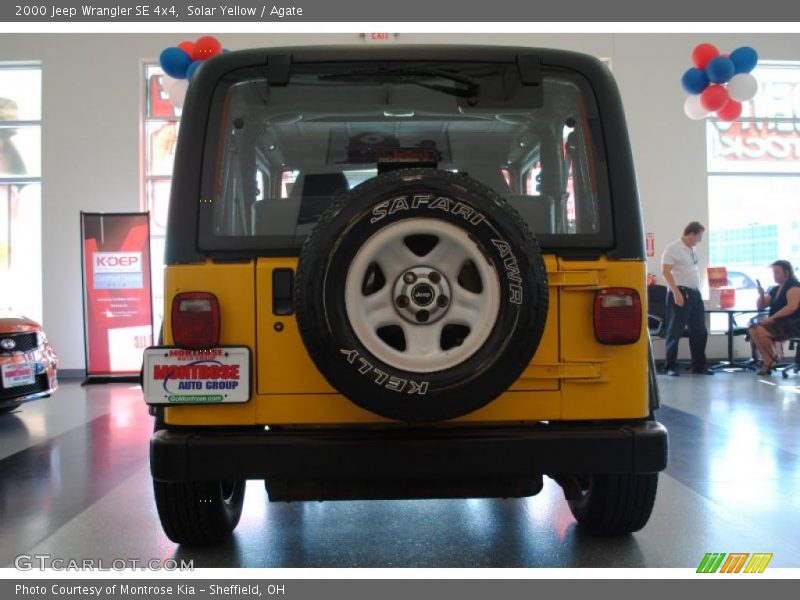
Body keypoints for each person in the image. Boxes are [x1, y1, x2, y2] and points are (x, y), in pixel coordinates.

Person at [660, 221, 713, 376]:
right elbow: (665, 272)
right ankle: (670, 366)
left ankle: (699, 366)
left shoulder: (692, 249)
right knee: (674, 331)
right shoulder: (672, 248)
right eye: (699, 236)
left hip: (695, 294)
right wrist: (676, 292)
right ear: (692, 234)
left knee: (700, 331)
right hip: (680, 293)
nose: (700, 240)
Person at [748, 260, 800, 375]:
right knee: (752, 329)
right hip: (778, 323)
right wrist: (761, 295)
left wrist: (771, 318)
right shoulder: (775, 288)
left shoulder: (793, 285)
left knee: (761, 330)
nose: (774, 276)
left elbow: (792, 307)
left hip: (792, 323)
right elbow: (761, 306)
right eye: (773, 273)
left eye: (777, 273)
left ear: (786, 273)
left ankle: (771, 358)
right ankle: (769, 358)